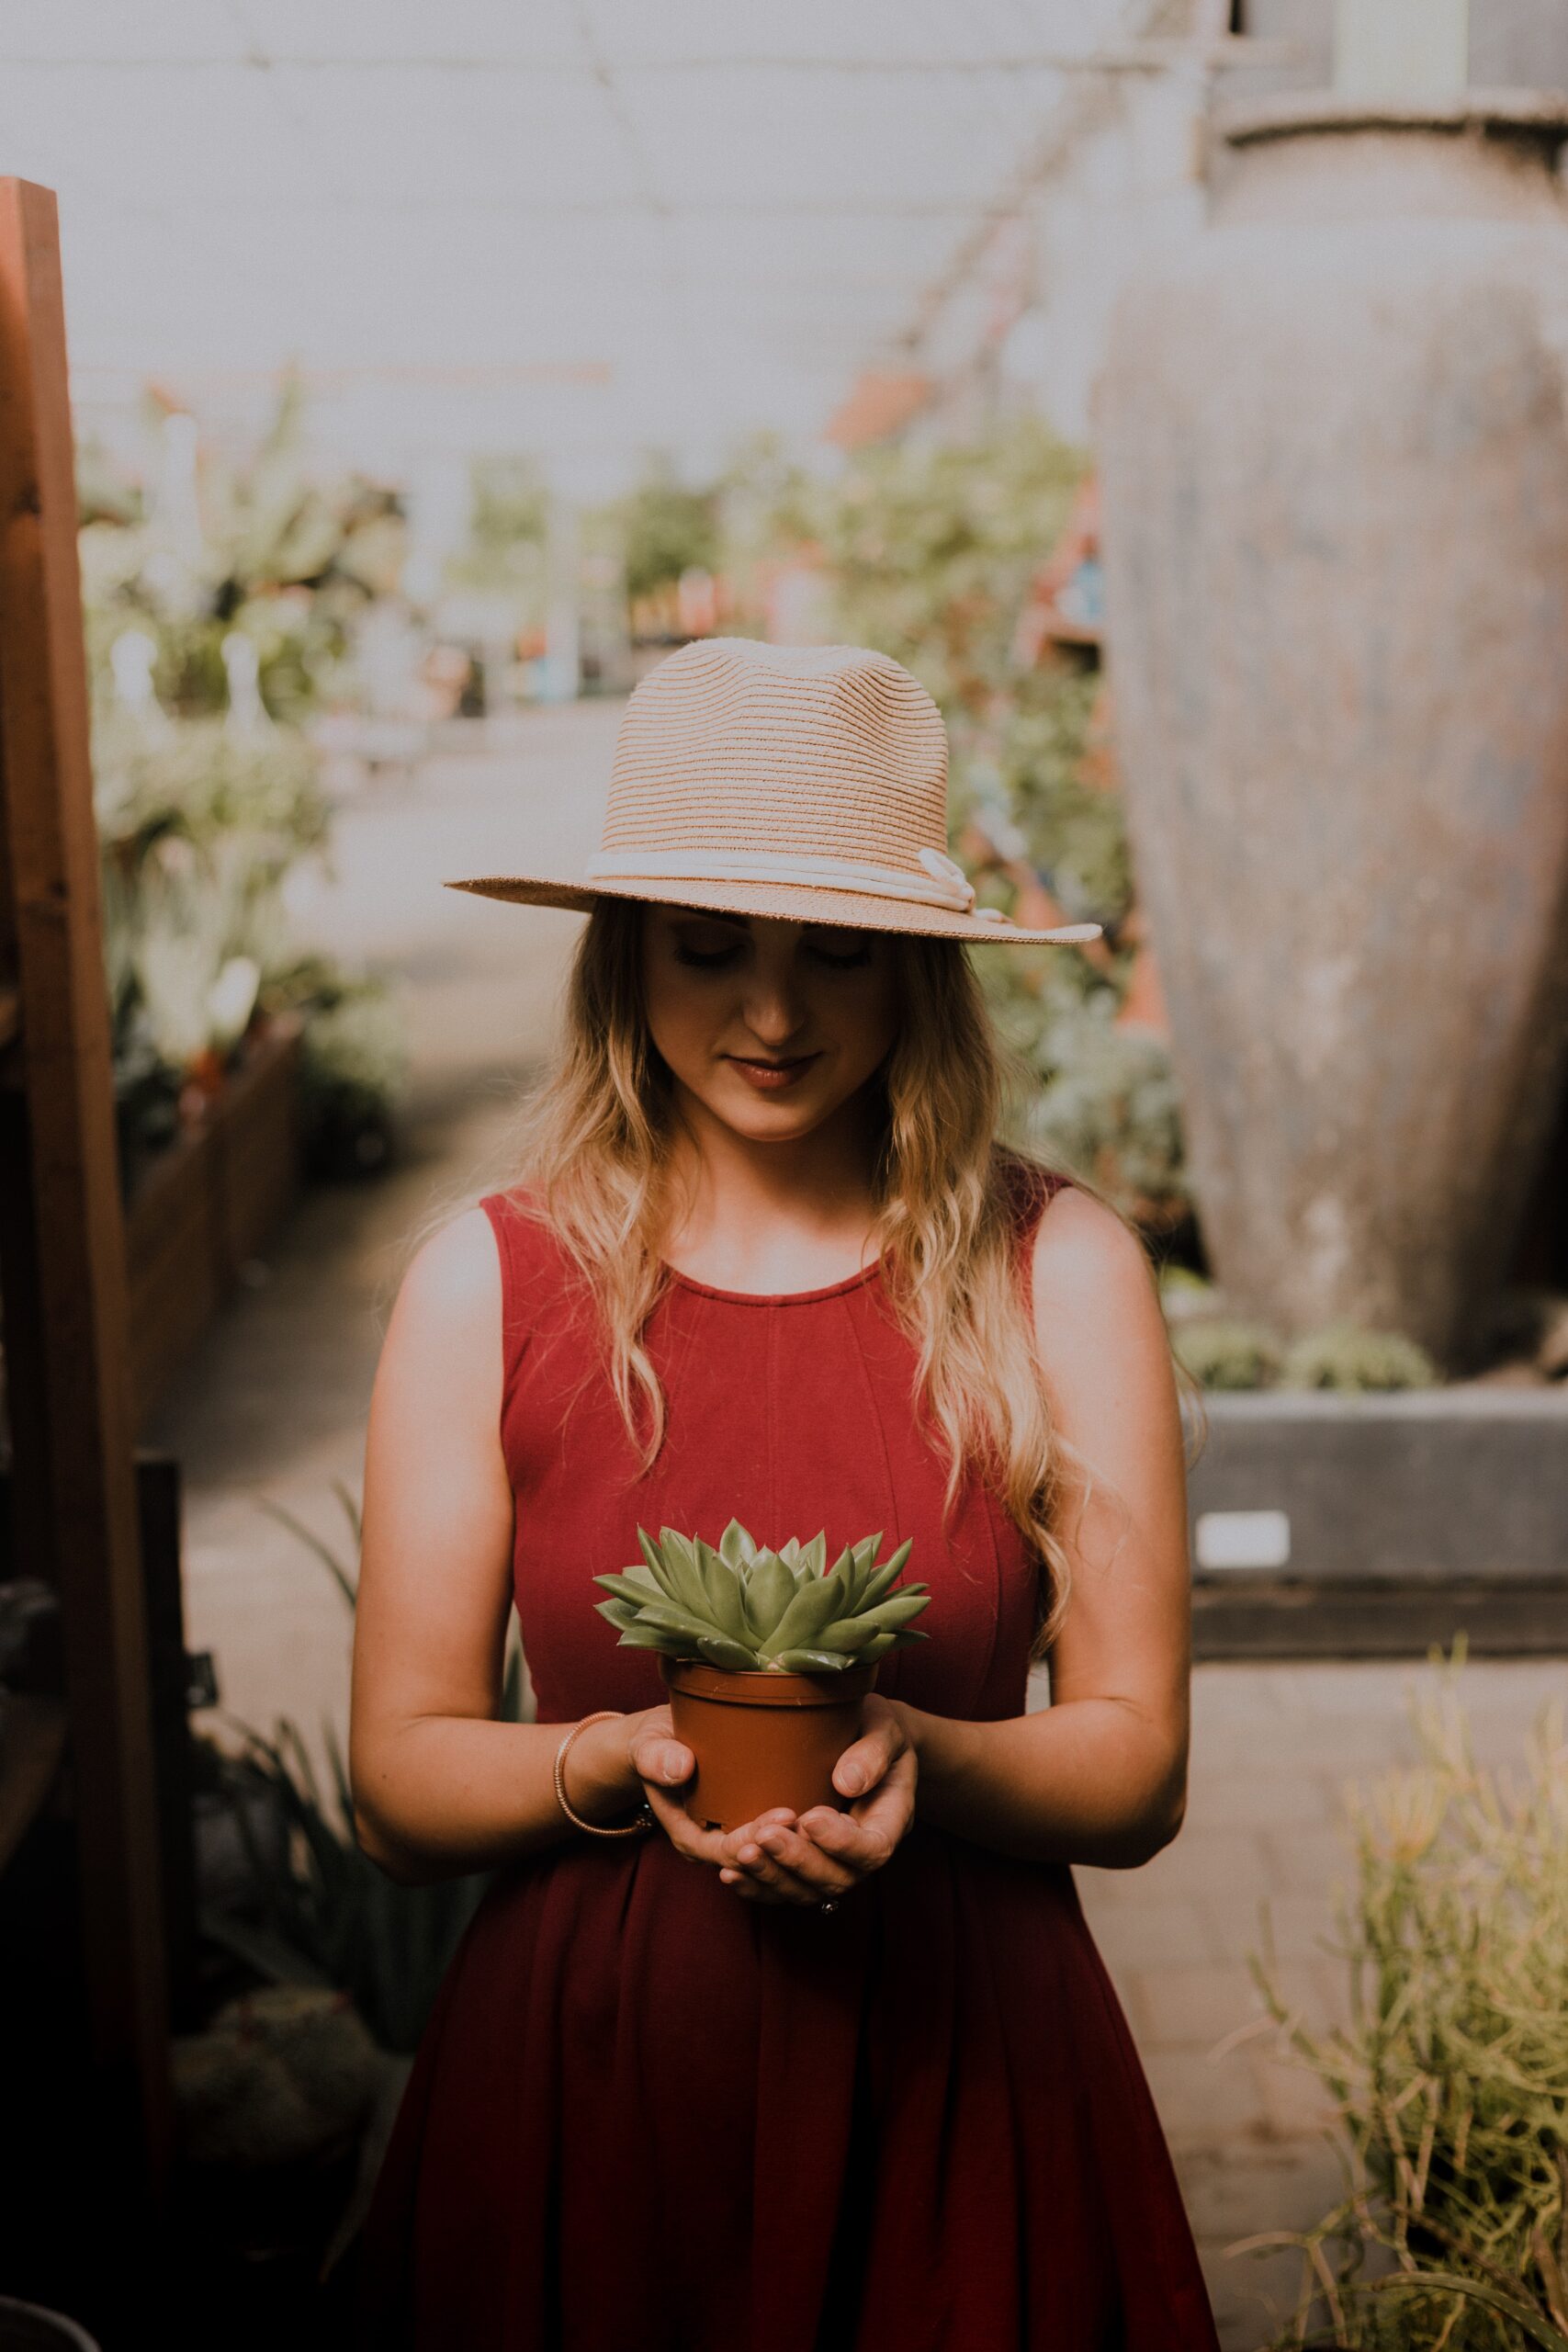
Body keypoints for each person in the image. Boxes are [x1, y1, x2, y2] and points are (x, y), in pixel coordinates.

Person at [351, 638, 1220, 2351]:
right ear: (623, 954)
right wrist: (609, 1761)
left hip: (968, 2077)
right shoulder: (488, 1283)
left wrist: (930, 1751)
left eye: (838, 948)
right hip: (584, 2096)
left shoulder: (1059, 1270)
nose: (770, 1012)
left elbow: (1135, 1765)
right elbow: (399, 1778)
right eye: (708, 945)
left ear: (916, 970)